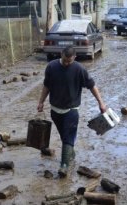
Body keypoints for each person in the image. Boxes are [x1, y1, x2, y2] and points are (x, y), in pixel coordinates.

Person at [37, 46, 107, 177]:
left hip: (72, 109)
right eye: (64, 60)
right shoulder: (51, 67)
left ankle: (64, 166)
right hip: (55, 109)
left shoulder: (79, 69)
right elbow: (46, 85)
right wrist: (41, 102)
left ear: (74, 58)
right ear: (61, 55)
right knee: (64, 136)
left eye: (69, 61)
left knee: (68, 135)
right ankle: (70, 153)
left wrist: (101, 103)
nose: (67, 63)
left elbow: (92, 86)